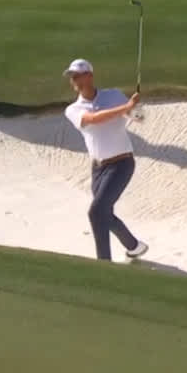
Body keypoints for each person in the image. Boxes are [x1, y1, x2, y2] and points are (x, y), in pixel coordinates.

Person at [62, 58, 149, 262]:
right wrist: (124, 107)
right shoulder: (73, 110)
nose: (73, 79)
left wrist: (135, 107)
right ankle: (135, 246)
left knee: (96, 212)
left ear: (90, 76)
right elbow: (94, 119)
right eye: (71, 76)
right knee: (104, 213)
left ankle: (104, 264)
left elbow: (140, 118)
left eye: (77, 75)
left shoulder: (114, 95)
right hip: (98, 169)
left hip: (122, 164)